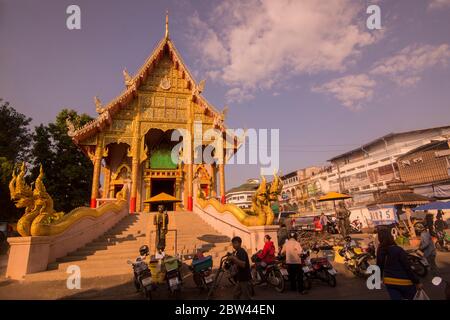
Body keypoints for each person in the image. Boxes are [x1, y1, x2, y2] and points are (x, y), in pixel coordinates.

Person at [376, 227, 421, 300]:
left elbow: (379, 267)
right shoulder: (398, 250)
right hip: (405, 282)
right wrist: (417, 282)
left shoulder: (380, 250)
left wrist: (380, 279)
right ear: (390, 237)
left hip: (389, 282)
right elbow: (407, 267)